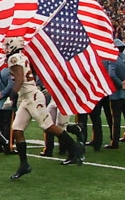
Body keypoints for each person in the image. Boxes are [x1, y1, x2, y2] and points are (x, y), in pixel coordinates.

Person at [5, 36, 85, 180]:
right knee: (17, 130)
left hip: (32, 97)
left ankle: (74, 147)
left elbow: (19, 79)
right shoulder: (21, 57)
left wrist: (11, 95)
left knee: (48, 127)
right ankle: (24, 165)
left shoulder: (14, 59)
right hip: (27, 98)